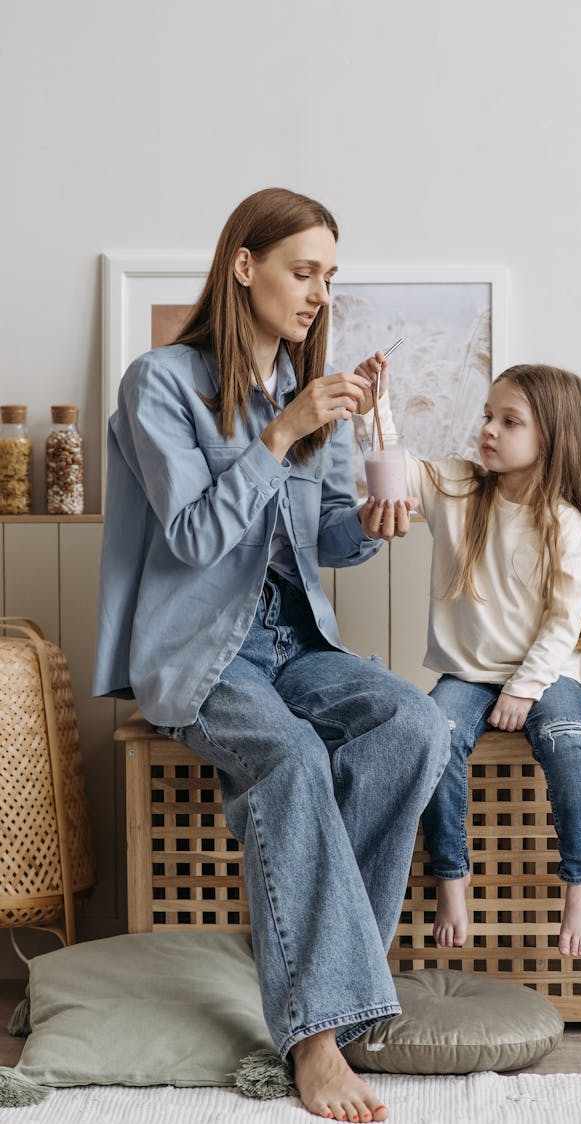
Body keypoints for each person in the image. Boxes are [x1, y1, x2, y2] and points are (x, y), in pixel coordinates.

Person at [93, 187, 450, 1123]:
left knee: (411, 724)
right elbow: (192, 538)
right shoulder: (158, 383)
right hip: (200, 655)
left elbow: (323, 537)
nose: (319, 294)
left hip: (297, 646)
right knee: (291, 758)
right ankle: (319, 1042)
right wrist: (283, 433)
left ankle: (333, 988)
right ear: (244, 266)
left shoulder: (308, 388)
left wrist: (372, 525)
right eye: (303, 271)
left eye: (330, 277)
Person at [355, 357, 581, 957]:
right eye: (488, 416)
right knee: (435, 734)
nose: (489, 430)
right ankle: (452, 876)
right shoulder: (460, 489)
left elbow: (561, 623)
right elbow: (396, 476)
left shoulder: (565, 525)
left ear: (552, 437)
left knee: (568, 738)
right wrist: (379, 406)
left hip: (544, 676)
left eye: (510, 421)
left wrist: (524, 689)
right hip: (468, 674)